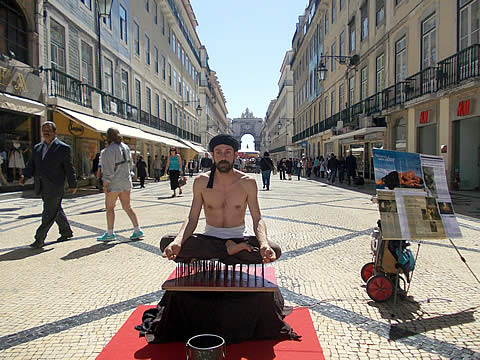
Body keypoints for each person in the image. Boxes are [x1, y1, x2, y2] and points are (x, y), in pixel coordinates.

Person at [161, 134, 280, 264]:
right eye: (219, 152)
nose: (223, 157)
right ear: (213, 155)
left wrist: (263, 244)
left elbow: (257, 218)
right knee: (167, 241)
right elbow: (192, 218)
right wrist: (177, 241)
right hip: (209, 238)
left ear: (235, 155)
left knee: (274, 249)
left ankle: (218, 253)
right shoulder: (201, 181)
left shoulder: (247, 182)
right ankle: (229, 252)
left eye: (228, 152)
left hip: (238, 238)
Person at [19, 121, 77, 248]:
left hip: (56, 185)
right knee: (55, 209)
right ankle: (66, 231)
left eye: (48, 130)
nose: (46, 132)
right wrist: (25, 176)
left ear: (55, 132)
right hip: (42, 185)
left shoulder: (63, 148)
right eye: (44, 130)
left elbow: (69, 167)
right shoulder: (37, 148)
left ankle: (39, 238)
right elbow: (31, 164)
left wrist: (73, 184)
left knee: (48, 213)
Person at [97, 127, 143, 241]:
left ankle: (110, 233)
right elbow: (131, 165)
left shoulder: (107, 151)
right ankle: (137, 230)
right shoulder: (126, 147)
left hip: (114, 183)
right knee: (127, 207)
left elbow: (108, 170)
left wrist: (105, 185)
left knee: (110, 208)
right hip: (126, 182)